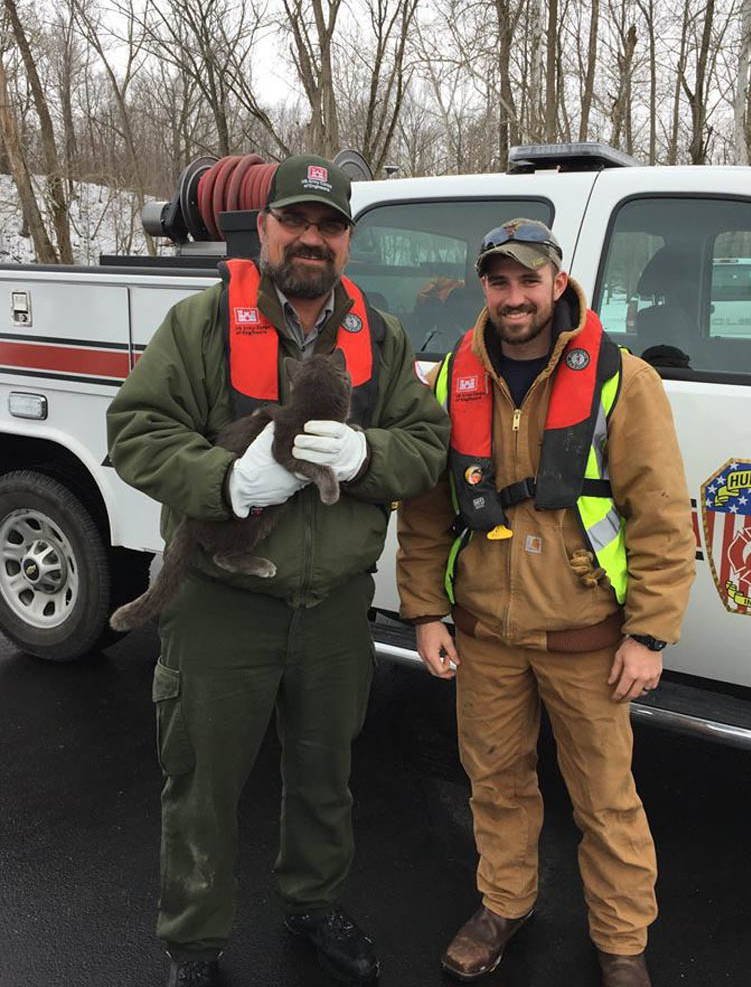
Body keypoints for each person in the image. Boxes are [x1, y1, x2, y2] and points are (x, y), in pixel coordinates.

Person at [107, 154, 450, 987]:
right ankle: (194, 946)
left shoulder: (383, 337)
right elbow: (136, 432)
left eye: (329, 226)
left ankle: (312, 903)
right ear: (262, 228)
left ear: (347, 242)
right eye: (295, 220)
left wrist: (369, 454)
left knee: (326, 777)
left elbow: (429, 444)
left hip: (334, 610)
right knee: (202, 787)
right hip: (222, 604)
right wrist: (223, 480)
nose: (312, 239)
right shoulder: (200, 325)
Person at [396, 218, 696, 987]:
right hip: (485, 635)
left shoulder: (623, 380)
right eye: (499, 281)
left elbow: (661, 514)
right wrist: (425, 612)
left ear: (558, 282)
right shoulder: (447, 382)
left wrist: (650, 635)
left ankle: (623, 946)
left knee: (606, 801)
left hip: (589, 637)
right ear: (484, 288)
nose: (514, 296)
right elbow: (428, 512)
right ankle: (505, 905)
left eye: (529, 280)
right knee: (495, 784)